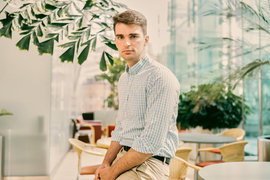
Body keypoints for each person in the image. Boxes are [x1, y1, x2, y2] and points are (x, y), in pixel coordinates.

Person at [94, 10, 180, 180]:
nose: (126, 43)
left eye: (133, 36)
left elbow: (151, 142)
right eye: (120, 37)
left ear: (146, 40)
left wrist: (112, 172)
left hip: (150, 164)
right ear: (115, 41)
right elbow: (120, 130)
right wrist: (105, 164)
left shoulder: (160, 77)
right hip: (123, 158)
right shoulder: (124, 79)